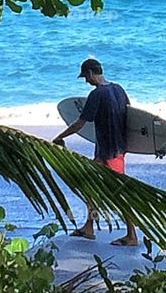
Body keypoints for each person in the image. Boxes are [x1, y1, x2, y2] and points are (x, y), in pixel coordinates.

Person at [52, 58, 137, 245]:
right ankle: (89, 227)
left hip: (111, 152)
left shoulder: (97, 94)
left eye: (85, 77)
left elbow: (80, 123)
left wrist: (60, 137)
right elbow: (131, 116)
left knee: (121, 193)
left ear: (91, 73)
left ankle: (132, 235)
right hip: (115, 148)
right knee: (91, 187)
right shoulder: (119, 89)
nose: (86, 81)